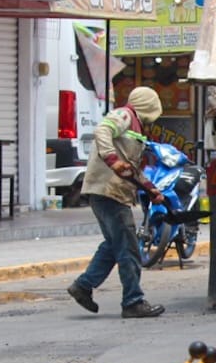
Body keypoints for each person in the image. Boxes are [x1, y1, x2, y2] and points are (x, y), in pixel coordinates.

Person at [67, 88, 167, 319]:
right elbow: (102, 130)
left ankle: (83, 286)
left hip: (110, 191)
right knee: (129, 247)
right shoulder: (124, 116)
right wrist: (112, 160)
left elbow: (130, 167)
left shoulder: (136, 127)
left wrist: (151, 189)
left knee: (114, 244)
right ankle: (133, 301)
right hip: (108, 191)